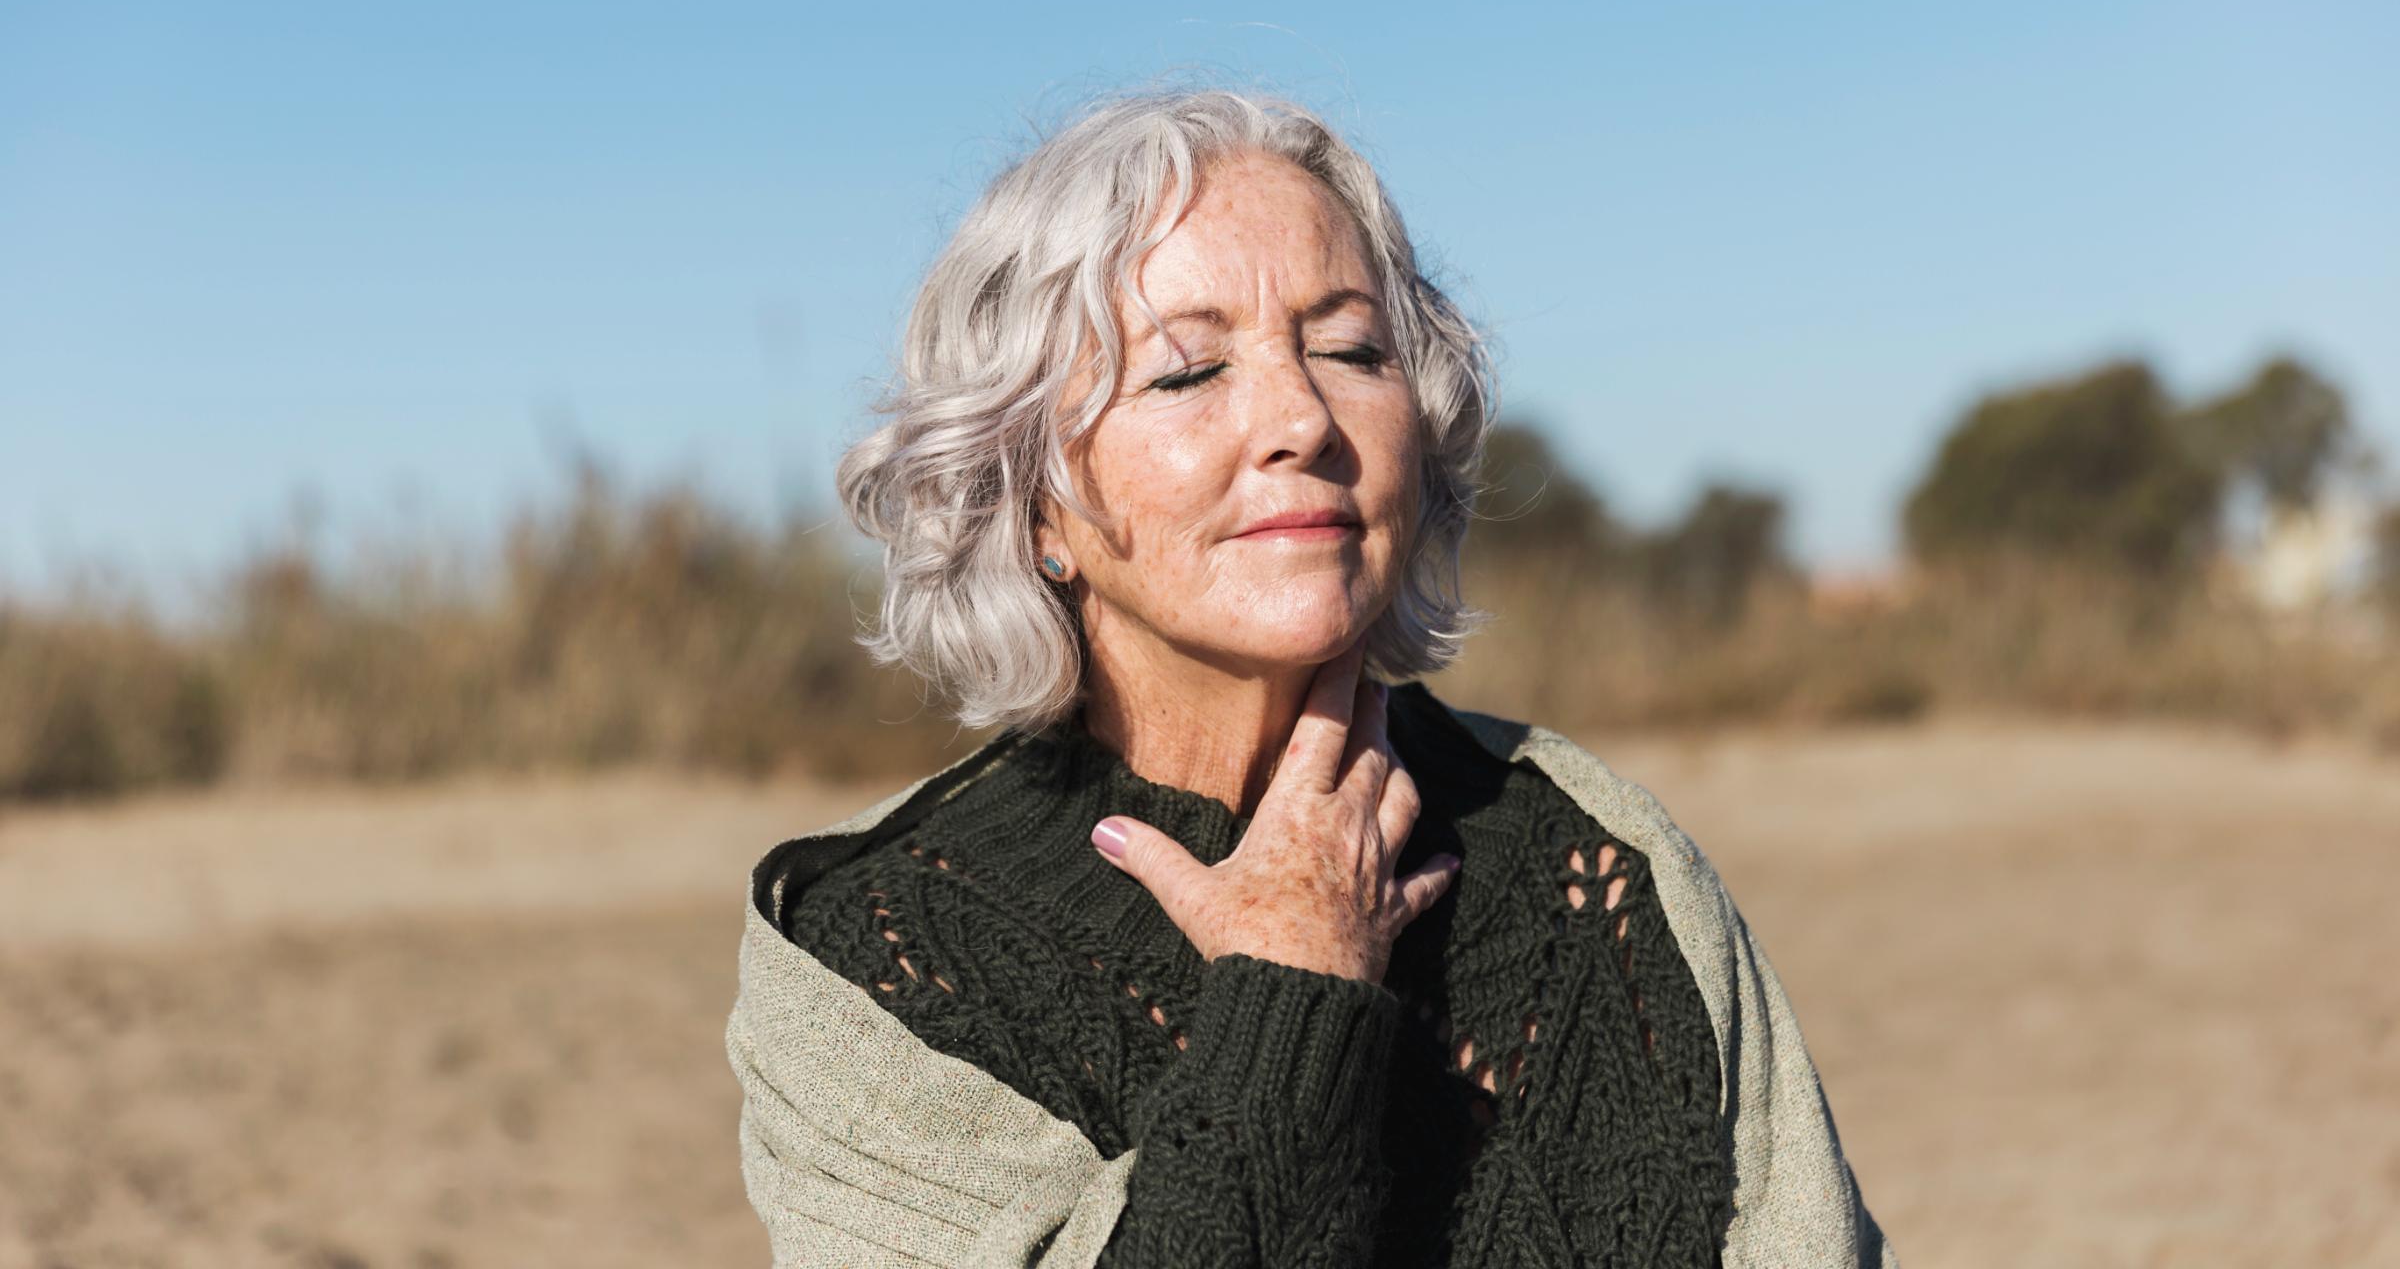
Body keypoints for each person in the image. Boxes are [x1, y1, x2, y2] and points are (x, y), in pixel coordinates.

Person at [724, 88, 1895, 1268]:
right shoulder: (865, 961)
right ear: (1031, 501)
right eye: (1186, 372)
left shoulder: (1598, 857)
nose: (1302, 418)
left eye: (1349, 349)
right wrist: (1293, 987)